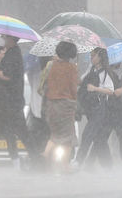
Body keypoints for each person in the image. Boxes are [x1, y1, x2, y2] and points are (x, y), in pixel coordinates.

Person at [0, 34, 39, 172]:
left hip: (11, 104)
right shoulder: (8, 55)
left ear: (11, 39)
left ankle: (37, 161)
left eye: (5, 38)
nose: (3, 41)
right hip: (4, 105)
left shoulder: (14, 55)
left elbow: (8, 75)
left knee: (22, 134)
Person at [74, 47, 115, 169]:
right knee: (99, 138)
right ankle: (108, 166)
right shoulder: (90, 70)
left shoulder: (105, 73)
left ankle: (78, 161)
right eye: (90, 56)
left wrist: (96, 89)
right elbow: (81, 82)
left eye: (93, 56)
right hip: (90, 107)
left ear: (100, 57)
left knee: (87, 134)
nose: (91, 58)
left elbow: (110, 90)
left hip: (100, 107)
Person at [42, 41, 79, 171]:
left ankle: (45, 157)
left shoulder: (51, 66)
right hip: (65, 105)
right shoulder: (72, 68)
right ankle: (65, 165)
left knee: (55, 135)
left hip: (51, 104)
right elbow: (73, 88)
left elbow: (46, 84)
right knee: (68, 137)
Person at [95, 62, 122, 169]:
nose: (121, 63)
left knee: (104, 138)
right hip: (114, 111)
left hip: (111, 110)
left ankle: (111, 164)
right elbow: (116, 92)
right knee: (121, 139)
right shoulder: (109, 75)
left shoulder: (110, 74)